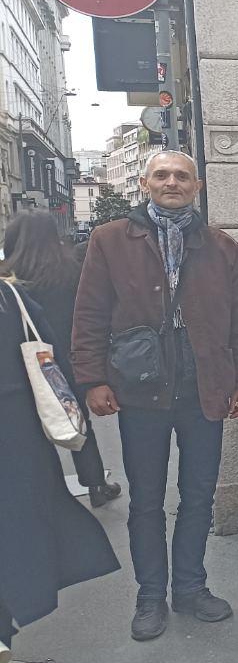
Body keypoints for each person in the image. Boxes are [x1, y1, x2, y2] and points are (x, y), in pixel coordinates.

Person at [73, 151, 238, 641]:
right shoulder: (109, 240)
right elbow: (90, 313)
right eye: (161, 175)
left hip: (205, 385)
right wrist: (93, 380)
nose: (171, 182)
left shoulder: (221, 246)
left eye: (182, 176)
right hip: (141, 389)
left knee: (198, 495)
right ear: (144, 183)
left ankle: (191, 588)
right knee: (146, 500)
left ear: (197, 187)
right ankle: (151, 595)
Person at [0, 279, 120, 658]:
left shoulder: (11, 295)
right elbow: (57, 362)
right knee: (19, 533)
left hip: (19, 439)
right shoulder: (10, 297)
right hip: (20, 439)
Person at [0, 211, 121, 507]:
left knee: (31, 427)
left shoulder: (10, 280)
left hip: (25, 365)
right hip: (69, 358)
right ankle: (96, 484)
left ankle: (44, 491)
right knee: (79, 421)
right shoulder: (72, 270)